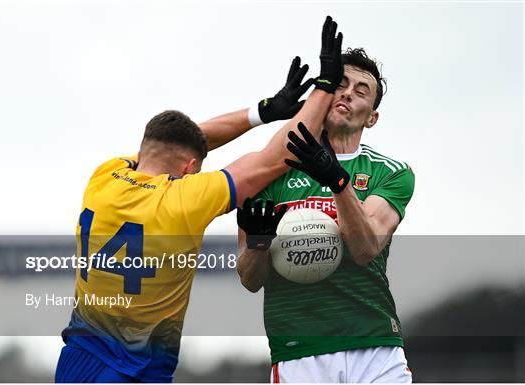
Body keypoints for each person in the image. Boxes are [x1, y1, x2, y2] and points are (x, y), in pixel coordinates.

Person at [54, 16, 344, 383]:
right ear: (190, 167)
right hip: (139, 371)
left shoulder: (105, 176)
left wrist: (263, 112)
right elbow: (276, 157)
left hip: (77, 361)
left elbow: (177, 139)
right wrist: (325, 85)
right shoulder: (185, 201)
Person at [237, 47, 415, 383]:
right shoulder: (269, 172)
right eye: (340, 84)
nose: (348, 93)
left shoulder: (390, 172)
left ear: (371, 117)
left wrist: (337, 181)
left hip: (374, 344)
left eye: (361, 90)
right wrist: (259, 243)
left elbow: (365, 248)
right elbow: (249, 279)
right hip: (299, 348)